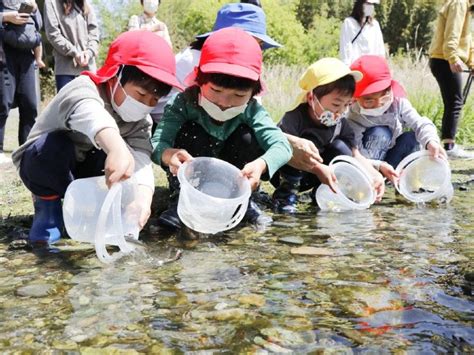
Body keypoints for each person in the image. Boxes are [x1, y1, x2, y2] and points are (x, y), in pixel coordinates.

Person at [11, 30, 183, 245]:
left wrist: (143, 199)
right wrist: (117, 147)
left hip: (86, 174)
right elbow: (89, 112)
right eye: (141, 94)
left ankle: (86, 212)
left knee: (128, 170)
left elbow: (141, 156)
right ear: (116, 75)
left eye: (154, 99)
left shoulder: (139, 120)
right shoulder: (83, 88)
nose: (146, 104)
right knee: (52, 146)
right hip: (46, 164)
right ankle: (47, 209)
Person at [151, 27, 292, 231]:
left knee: (247, 135)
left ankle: (243, 203)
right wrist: (166, 153)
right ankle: (180, 198)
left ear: (253, 92)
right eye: (216, 91)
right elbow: (158, 141)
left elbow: (282, 146)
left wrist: (261, 164)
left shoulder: (252, 110)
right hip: (192, 173)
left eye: (238, 95)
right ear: (200, 81)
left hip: (233, 176)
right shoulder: (183, 102)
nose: (224, 103)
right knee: (190, 130)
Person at [272, 58, 385, 213]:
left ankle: (320, 193)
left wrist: (373, 174)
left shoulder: (340, 123)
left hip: (322, 174)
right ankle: (286, 195)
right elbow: (280, 147)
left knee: (342, 148)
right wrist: (318, 169)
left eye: (346, 105)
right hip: (289, 172)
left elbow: (355, 155)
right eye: (336, 104)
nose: (340, 112)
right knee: (296, 146)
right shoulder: (294, 118)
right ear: (312, 98)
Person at [150, 2, 281, 130]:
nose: (255, 49)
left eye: (259, 45)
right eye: (251, 41)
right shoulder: (194, 60)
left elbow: (254, 109)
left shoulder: (245, 69)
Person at [347, 55, 446, 182]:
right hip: (370, 166)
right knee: (381, 133)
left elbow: (420, 123)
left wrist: (431, 141)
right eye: (369, 101)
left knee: (412, 137)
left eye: (384, 97)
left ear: (390, 90)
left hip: (392, 161)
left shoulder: (397, 103)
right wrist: (375, 168)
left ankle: (405, 181)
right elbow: (358, 153)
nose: (379, 104)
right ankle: (371, 182)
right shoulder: (354, 116)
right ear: (356, 98)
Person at [429, 0, 474, 159]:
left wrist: (471, 62)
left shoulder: (466, 5)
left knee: (454, 101)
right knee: (455, 102)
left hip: (445, 58)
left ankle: (449, 144)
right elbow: (452, 34)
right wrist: (453, 57)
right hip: (444, 59)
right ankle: (449, 147)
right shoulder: (459, 3)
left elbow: (466, 39)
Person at [0, 0, 42, 165]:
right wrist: (6, 17)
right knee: (3, 104)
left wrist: (36, 8)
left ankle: (27, 148)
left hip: (26, 56)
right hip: (4, 54)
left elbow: (38, 26)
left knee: (30, 105)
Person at [44, 0, 99, 91]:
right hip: (66, 70)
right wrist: (75, 53)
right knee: (67, 104)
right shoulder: (51, 2)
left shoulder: (86, 3)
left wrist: (89, 52)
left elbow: (94, 32)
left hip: (88, 69)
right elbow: (53, 34)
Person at [339, 0, 385, 66]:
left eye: (372, 4)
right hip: (355, 69)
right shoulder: (349, 23)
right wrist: (347, 70)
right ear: (359, 4)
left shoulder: (374, 25)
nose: (370, 6)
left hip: (372, 68)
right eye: (368, 3)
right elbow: (345, 48)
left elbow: (380, 50)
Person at [1, 0, 45, 68]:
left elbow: (39, 25)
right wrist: (5, 17)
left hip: (28, 54)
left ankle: (38, 59)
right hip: (5, 53)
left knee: (38, 39)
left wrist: (35, 9)